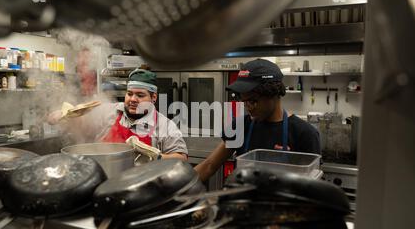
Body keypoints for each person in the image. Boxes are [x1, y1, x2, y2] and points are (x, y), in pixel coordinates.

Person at [195, 59, 320, 182]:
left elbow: (311, 187)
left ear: (273, 93)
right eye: (244, 101)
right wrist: (180, 185)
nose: (248, 107)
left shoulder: (304, 134)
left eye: (252, 101)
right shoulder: (240, 126)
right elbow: (209, 166)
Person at [48, 68, 188, 161]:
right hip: (104, 180)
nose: (133, 99)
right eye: (129, 94)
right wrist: (67, 116)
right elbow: (84, 127)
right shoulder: (108, 111)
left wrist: (156, 156)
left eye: (140, 95)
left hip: (143, 186)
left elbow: (181, 158)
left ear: (154, 98)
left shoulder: (165, 125)